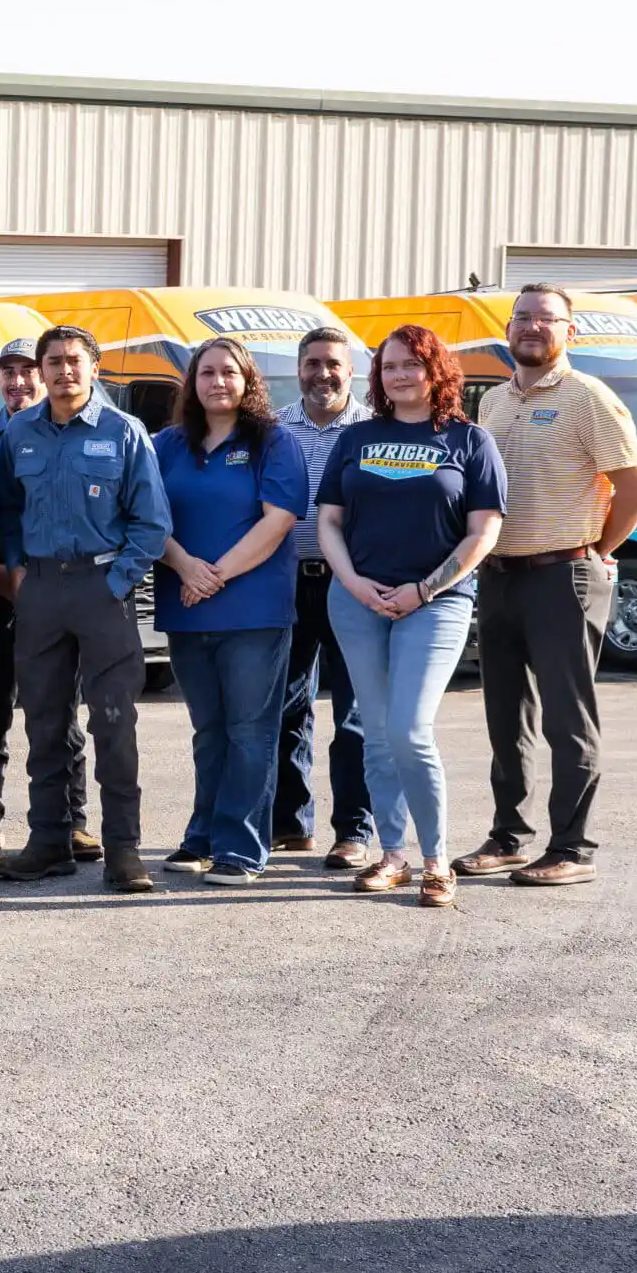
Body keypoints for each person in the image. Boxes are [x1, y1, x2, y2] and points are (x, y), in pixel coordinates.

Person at [458, 284, 637, 890]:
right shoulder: (491, 401)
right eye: (523, 318)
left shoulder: (589, 397)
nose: (533, 328)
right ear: (508, 327)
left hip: (563, 576)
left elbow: (636, 490)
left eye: (548, 320)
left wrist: (597, 551)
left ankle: (573, 846)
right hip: (500, 576)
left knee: (568, 718)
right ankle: (510, 837)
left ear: (571, 332)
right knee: (504, 714)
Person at [316, 324, 507, 908]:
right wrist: (352, 583)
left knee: (409, 729)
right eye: (389, 365)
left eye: (411, 364)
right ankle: (392, 853)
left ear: (436, 371)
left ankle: (436, 859)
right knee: (375, 733)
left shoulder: (470, 441)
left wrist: (424, 590)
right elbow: (328, 519)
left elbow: (485, 531)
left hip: (437, 602)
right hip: (357, 600)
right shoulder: (357, 437)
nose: (399, 375)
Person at [0, 326, 170, 895]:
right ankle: (50, 840)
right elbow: (7, 508)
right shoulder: (19, 432)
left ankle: (123, 849)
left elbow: (152, 523)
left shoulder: (125, 432)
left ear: (94, 369)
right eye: (53, 362)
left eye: (74, 361)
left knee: (113, 724)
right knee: (44, 722)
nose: (64, 371)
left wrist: (117, 582)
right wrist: (19, 570)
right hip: (41, 590)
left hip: (102, 588)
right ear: (39, 371)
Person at [153, 337, 307, 886]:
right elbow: (148, 518)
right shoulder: (167, 445)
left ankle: (241, 847)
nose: (218, 382)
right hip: (187, 606)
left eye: (229, 373)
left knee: (250, 731)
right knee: (208, 731)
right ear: (192, 382)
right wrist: (186, 568)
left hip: (251, 610)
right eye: (207, 373)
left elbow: (278, 520)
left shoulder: (273, 442)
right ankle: (202, 836)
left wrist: (211, 574)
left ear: (247, 382)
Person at [0, 338, 96, 858]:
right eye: (8, 372)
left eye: (28, 371)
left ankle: (74, 820)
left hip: (54, 588)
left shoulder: (65, 432)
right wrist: (4, 573)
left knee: (60, 709)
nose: (18, 381)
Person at [274, 327, 375, 869]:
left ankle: (353, 831)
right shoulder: (273, 430)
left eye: (333, 363)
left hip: (352, 583)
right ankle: (290, 824)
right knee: (286, 706)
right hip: (287, 582)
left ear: (351, 370)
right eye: (312, 363)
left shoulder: (371, 430)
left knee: (353, 713)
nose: (323, 373)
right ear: (299, 369)